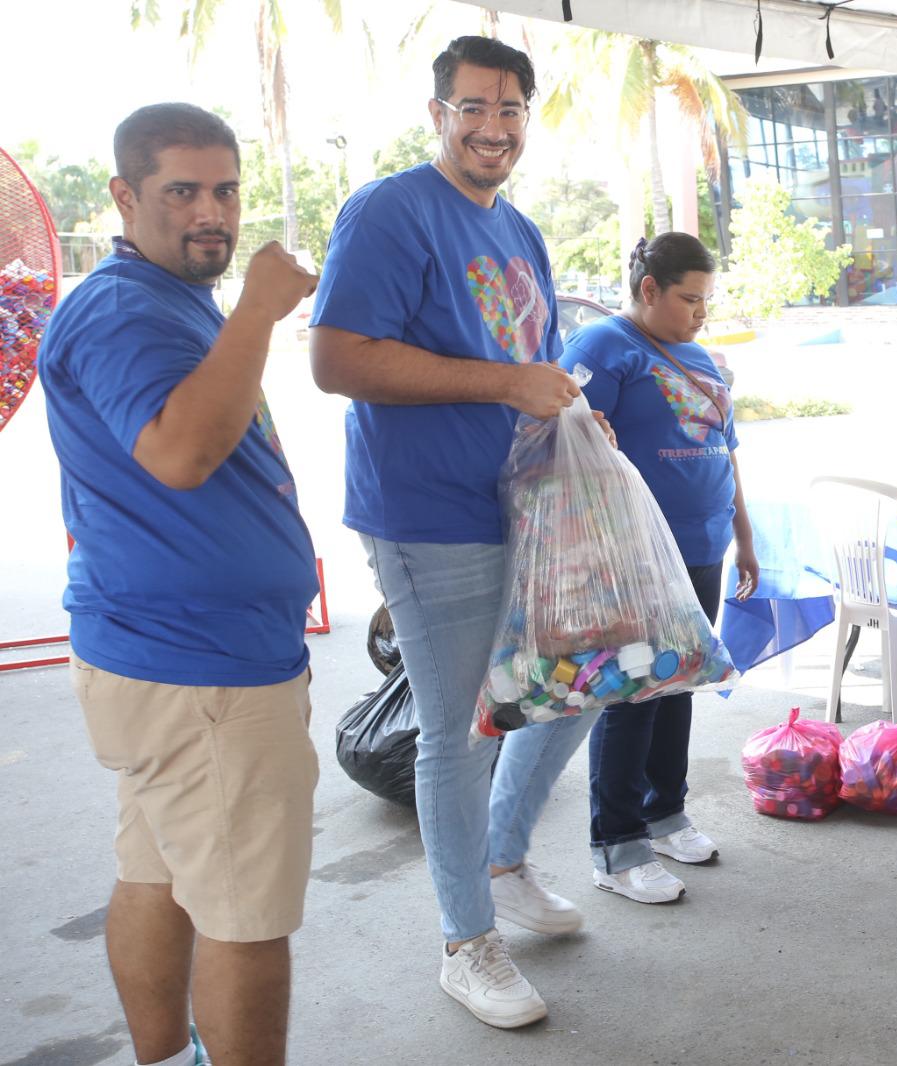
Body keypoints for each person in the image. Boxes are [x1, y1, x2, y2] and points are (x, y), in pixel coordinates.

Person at [310, 36, 606, 1029]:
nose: (494, 126)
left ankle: (505, 861)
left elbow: (531, 362)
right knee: (459, 728)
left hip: (523, 501)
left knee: (573, 689)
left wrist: (568, 409)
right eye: (473, 106)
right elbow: (338, 359)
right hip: (427, 513)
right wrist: (502, 383)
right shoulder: (390, 212)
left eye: (511, 108)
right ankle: (464, 942)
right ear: (436, 113)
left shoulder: (518, 230)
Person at [37, 103, 320, 1066]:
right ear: (124, 197)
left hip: (171, 658)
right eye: (183, 192)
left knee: (159, 875)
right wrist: (257, 310)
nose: (214, 213)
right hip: (203, 669)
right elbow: (183, 451)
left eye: (227, 190)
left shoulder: (164, 298)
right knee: (246, 914)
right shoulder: (126, 309)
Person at [558, 233, 759, 903]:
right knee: (635, 691)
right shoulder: (603, 350)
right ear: (649, 290)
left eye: (707, 299)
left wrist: (746, 539)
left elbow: (727, 457)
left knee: (680, 683)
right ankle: (615, 847)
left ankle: (664, 812)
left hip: (704, 547)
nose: (700, 312)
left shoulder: (701, 358)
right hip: (635, 550)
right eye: (689, 299)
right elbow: (569, 450)